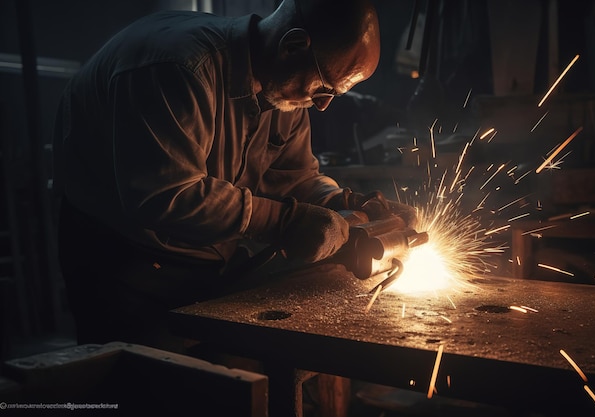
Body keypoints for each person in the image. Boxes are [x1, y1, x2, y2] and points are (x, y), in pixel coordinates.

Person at [53, 0, 417, 352]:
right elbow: (165, 196)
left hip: (208, 258)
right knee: (145, 386)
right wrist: (284, 221)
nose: (323, 104)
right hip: (123, 263)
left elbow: (296, 176)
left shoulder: (285, 90)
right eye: (324, 88)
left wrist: (344, 202)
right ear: (293, 46)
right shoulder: (180, 68)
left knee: (228, 380)